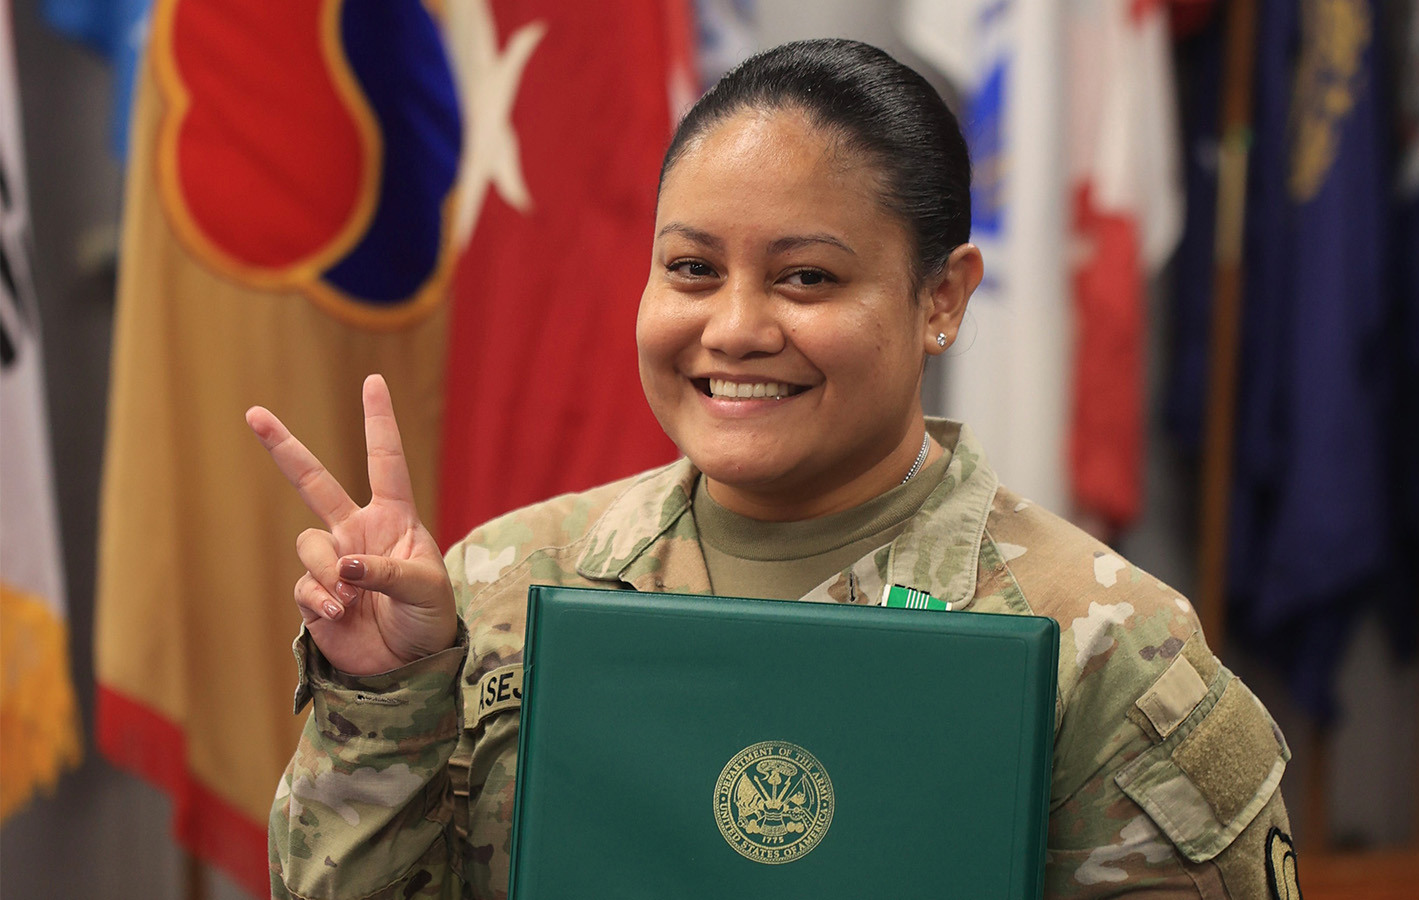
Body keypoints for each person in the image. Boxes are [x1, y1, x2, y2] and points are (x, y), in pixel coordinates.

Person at [250, 39, 1296, 900]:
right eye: (692, 270)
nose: (735, 328)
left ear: (941, 298)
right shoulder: (501, 586)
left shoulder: (1107, 647)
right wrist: (386, 698)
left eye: (806, 277)